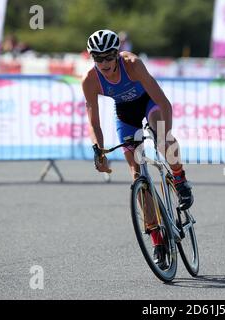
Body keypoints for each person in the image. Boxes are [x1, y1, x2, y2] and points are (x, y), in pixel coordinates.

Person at [81, 30, 194, 268]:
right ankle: (157, 239)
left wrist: (164, 134)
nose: (103, 63)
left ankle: (180, 178)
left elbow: (163, 102)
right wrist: (98, 150)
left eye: (108, 57)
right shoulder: (90, 80)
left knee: (162, 137)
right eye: (97, 58)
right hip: (125, 114)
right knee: (137, 174)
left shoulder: (132, 64)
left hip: (149, 103)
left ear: (116, 55)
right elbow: (94, 121)